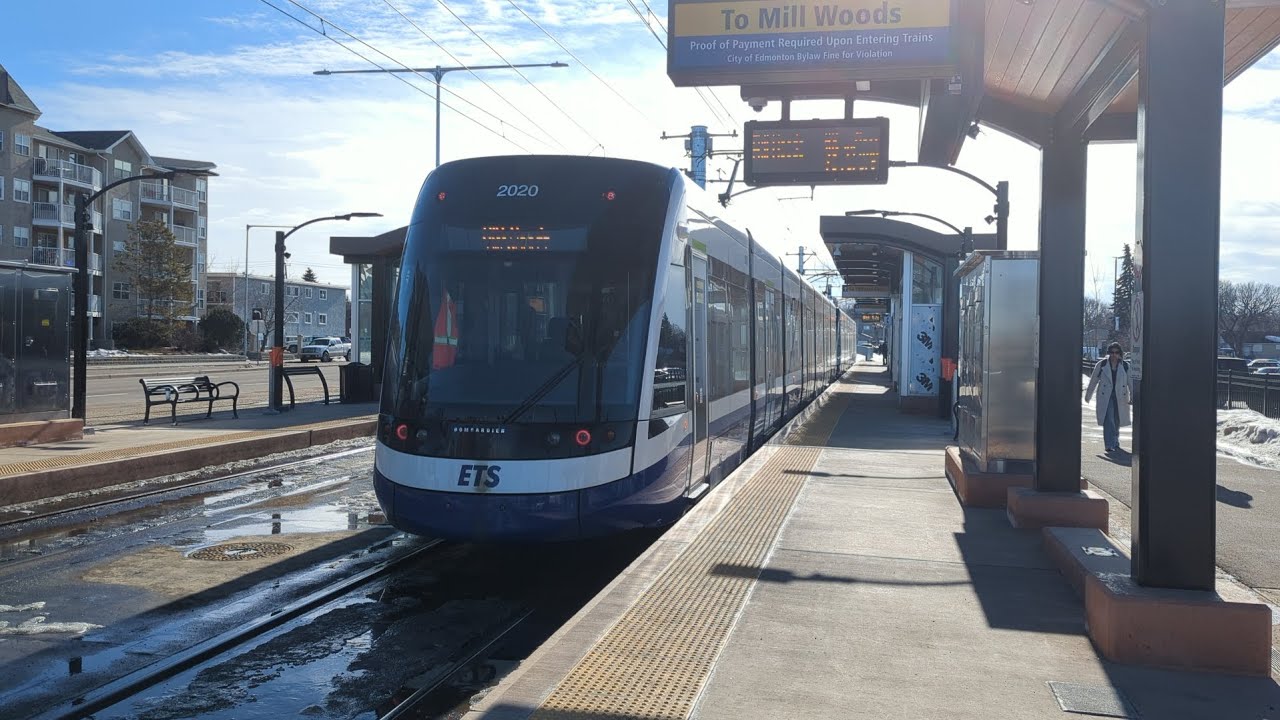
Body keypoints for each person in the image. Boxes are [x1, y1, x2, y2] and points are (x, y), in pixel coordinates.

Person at [1085, 342, 1132, 453]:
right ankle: (1109, 444)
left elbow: (1131, 382)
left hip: (1120, 396)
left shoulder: (1125, 366)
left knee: (1117, 419)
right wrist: (1088, 395)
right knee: (1109, 419)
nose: (1114, 355)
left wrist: (1133, 396)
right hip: (1106, 396)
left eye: (1116, 352)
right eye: (1111, 352)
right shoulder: (1102, 365)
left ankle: (1115, 440)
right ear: (1108, 353)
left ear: (1120, 353)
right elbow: (1093, 381)